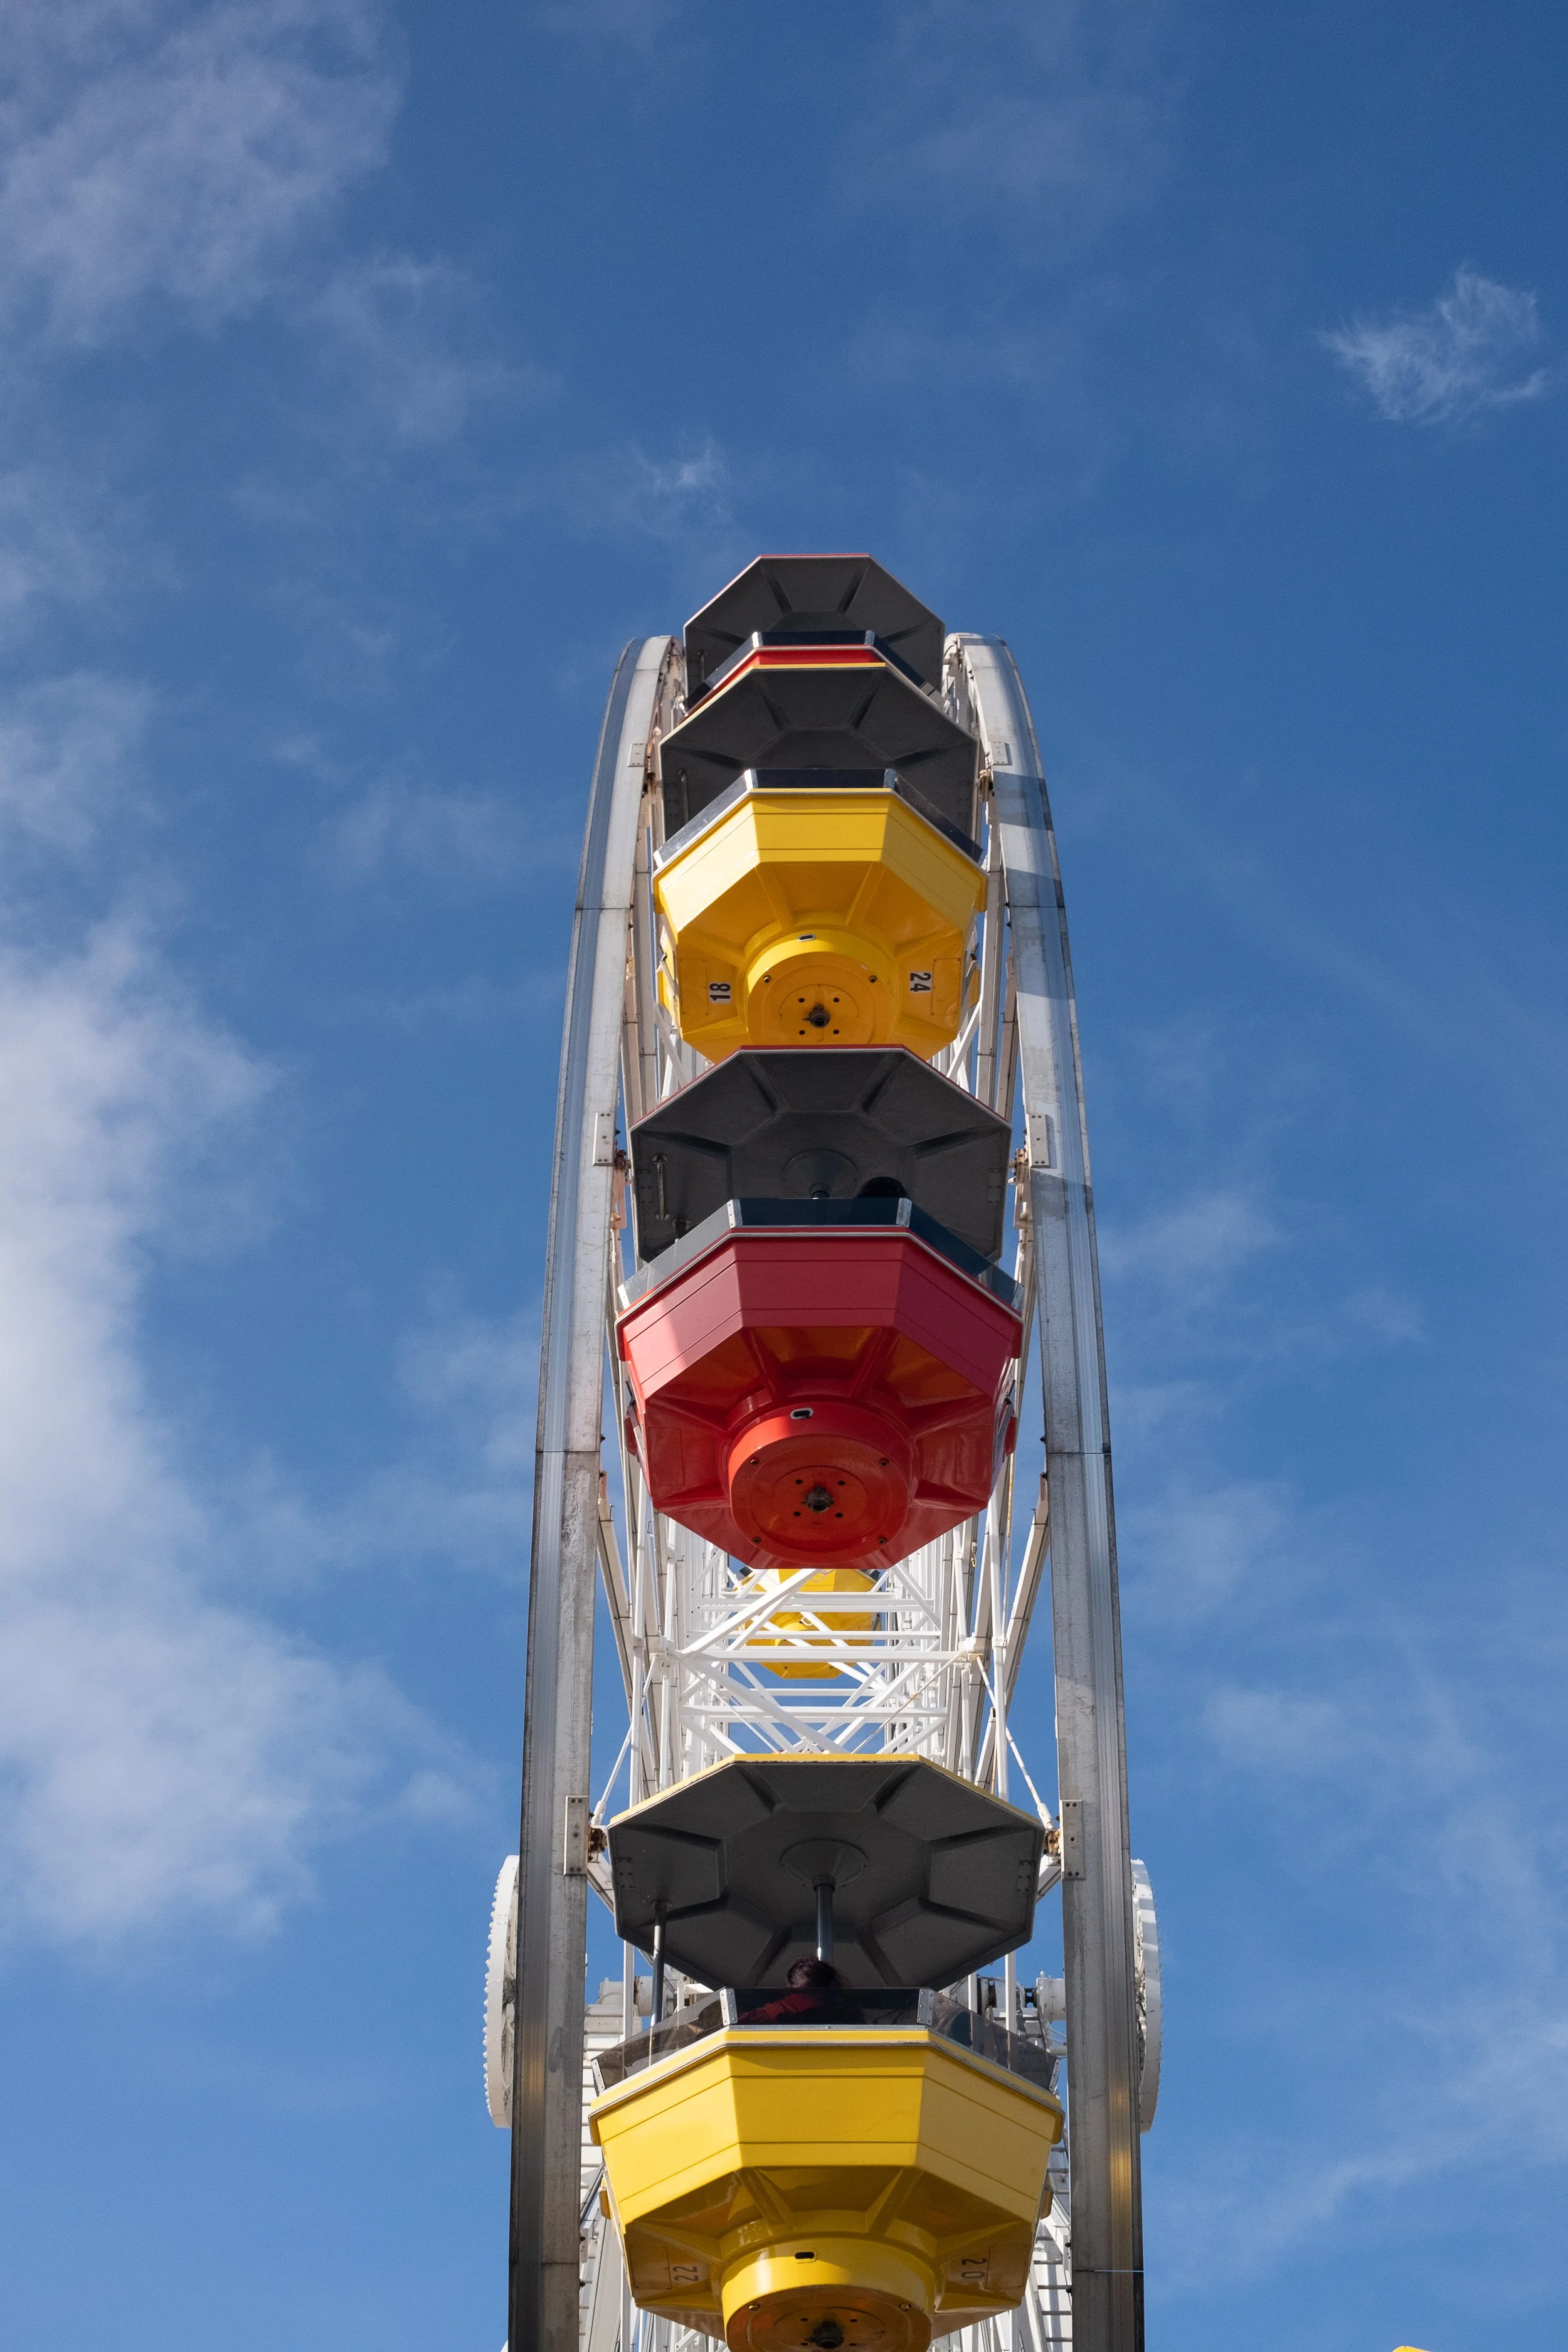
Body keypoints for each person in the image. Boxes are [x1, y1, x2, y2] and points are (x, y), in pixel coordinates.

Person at [743, 1957, 864, 2024]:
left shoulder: (783, 2009)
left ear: (791, 1988)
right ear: (833, 1984)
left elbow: (742, 2020)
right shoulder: (849, 2013)